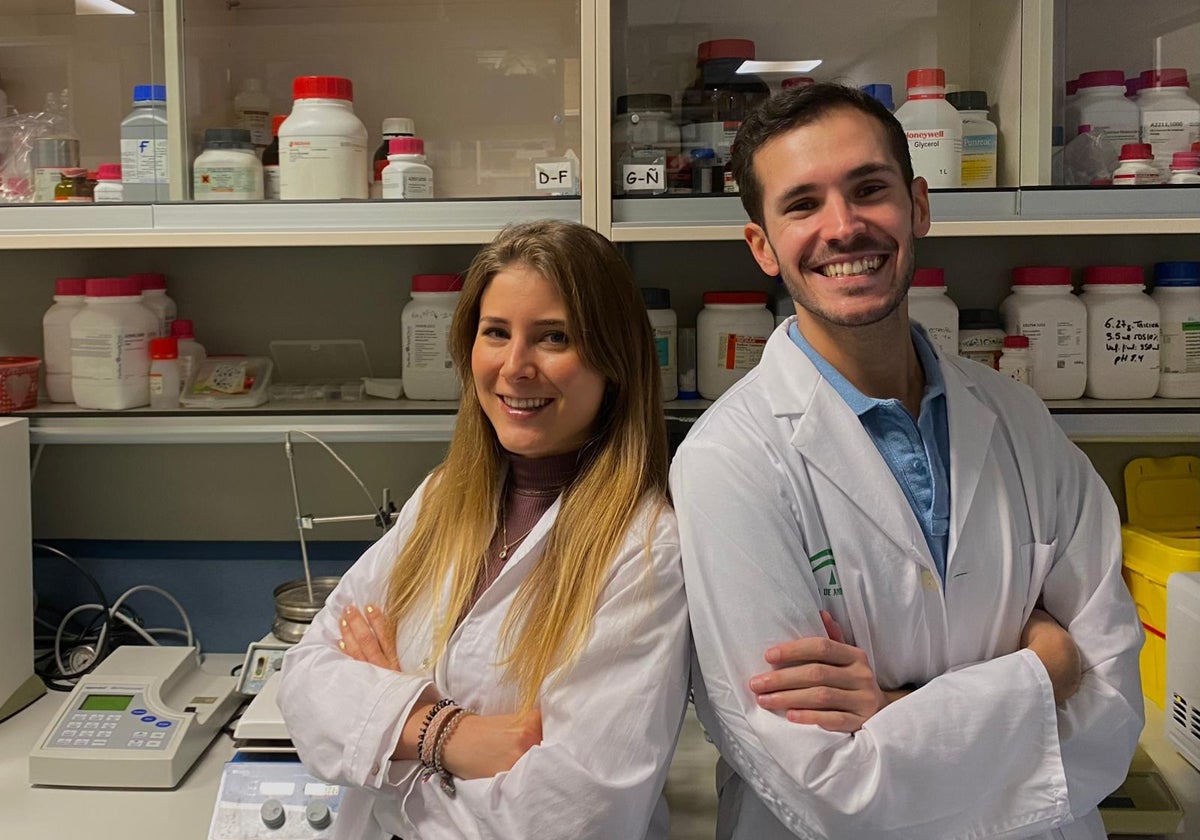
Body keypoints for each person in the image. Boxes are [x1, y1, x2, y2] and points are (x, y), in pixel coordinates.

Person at [670, 82, 1144, 840]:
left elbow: (1114, 711)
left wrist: (895, 714)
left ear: (918, 206)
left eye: (869, 189)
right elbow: (826, 784)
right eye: (802, 204)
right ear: (762, 245)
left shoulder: (1019, 419)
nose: (844, 226)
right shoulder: (729, 462)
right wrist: (1045, 671)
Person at [278, 219, 690, 840]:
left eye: (554, 337)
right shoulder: (445, 497)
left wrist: (384, 733)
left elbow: (570, 817)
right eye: (496, 333)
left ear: (615, 360)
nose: (515, 367)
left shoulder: (647, 550)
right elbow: (305, 675)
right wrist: (447, 735)